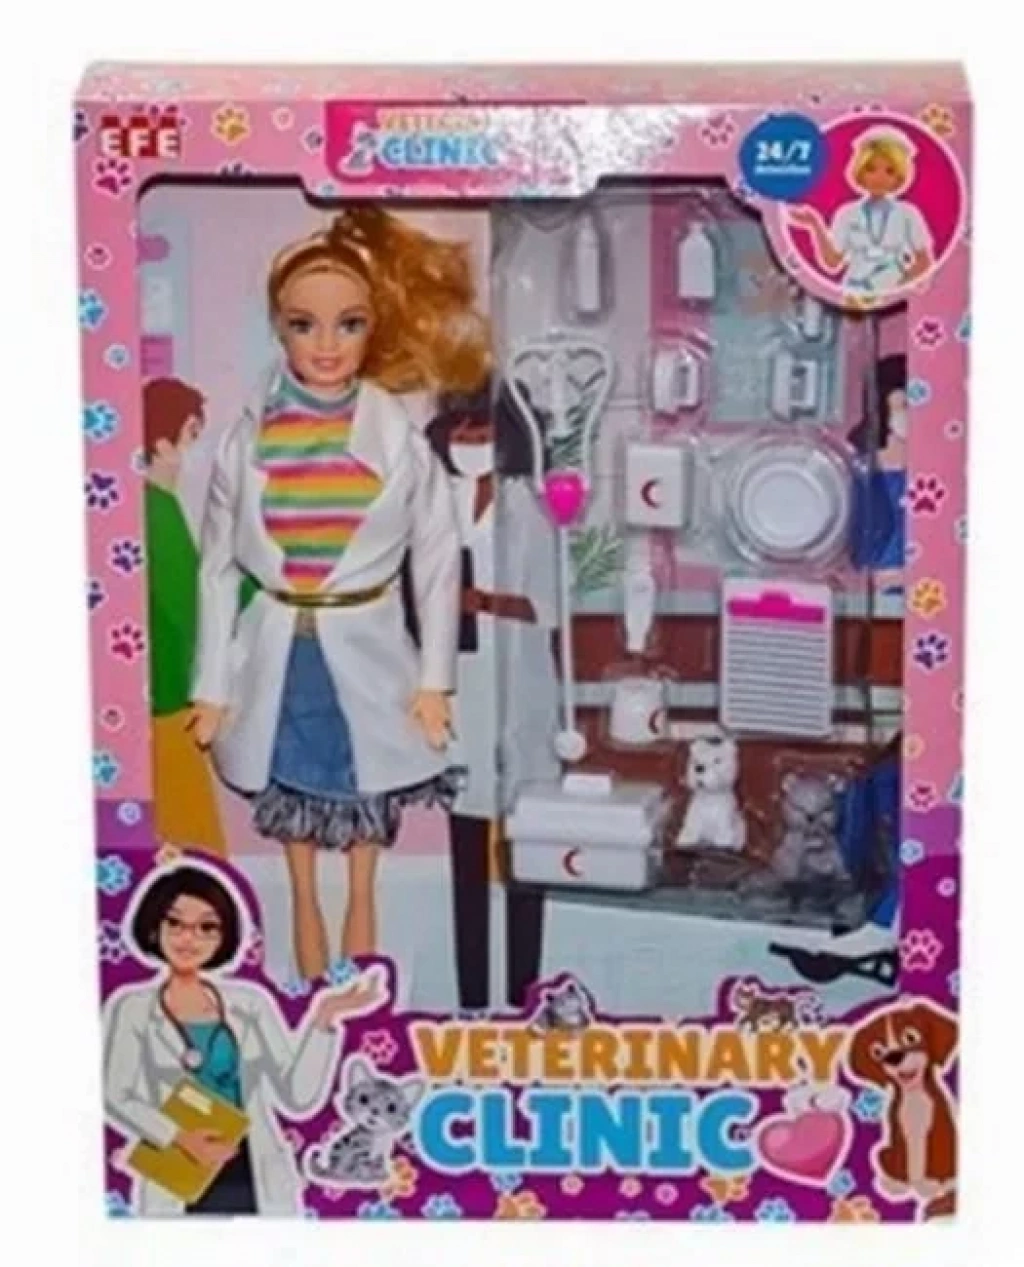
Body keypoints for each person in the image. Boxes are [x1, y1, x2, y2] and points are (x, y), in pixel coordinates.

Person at [189, 208, 490, 979]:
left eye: (348, 323)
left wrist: (434, 681)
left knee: (362, 813)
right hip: (278, 647)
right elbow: (217, 568)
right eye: (304, 324)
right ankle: (304, 934)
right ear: (279, 328)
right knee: (292, 809)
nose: (326, 345)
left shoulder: (397, 438)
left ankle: (363, 969)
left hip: (369, 646)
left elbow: (436, 558)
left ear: (372, 328)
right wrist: (212, 687)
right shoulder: (249, 438)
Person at [103, 863, 386, 1215]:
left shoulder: (248, 1004)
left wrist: (325, 1016)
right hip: (178, 1168)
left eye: (207, 927)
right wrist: (179, 1137)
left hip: (251, 1167)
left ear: (224, 937)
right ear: (153, 927)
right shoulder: (135, 1008)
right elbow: (116, 1094)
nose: (188, 938)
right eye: (174, 923)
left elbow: (297, 1097)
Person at [424, 382, 559, 1009]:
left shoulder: (529, 506)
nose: (472, 443)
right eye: (462, 432)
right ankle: (472, 999)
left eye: (483, 432)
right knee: (466, 848)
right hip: (458, 685)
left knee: (525, 843)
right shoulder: (434, 502)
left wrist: (481, 602)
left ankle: (525, 992)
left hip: (519, 683)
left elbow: (546, 607)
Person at [143, 378, 227, 856]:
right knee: (192, 838)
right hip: (171, 698)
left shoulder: (160, 506)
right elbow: (188, 608)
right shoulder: (157, 509)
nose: (198, 451)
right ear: (163, 444)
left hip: (167, 696)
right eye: (193, 435)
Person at [789, 128, 934, 300]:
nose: (879, 178)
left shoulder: (908, 214)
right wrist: (815, 225)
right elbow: (833, 262)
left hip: (891, 287)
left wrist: (896, 289)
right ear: (860, 171)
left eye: (890, 171)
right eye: (870, 169)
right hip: (854, 290)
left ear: (899, 177)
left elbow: (924, 261)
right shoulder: (847, 213)